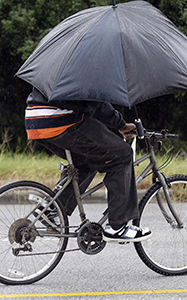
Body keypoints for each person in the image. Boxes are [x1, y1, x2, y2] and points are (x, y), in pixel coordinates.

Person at [24, 87, 151, 242]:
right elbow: (97, 101)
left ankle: (53, 209)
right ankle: (118, 226)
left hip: (34, 120)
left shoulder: (67, 66)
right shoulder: (92, 67)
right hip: (61, 119)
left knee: (88, 157)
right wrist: (121, 125)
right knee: (122, 155)